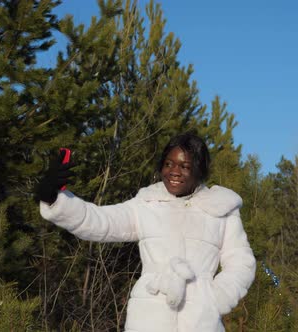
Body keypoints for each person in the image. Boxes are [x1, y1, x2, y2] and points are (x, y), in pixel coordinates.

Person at [37, 133, 256, 332]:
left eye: (184, 166)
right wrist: (55, 199)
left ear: (199, 170)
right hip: (149, 319)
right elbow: (99, 221)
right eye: (168, 164)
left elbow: (241, 263)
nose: (174, 172)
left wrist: (215, 298)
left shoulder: (221, 209)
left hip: (201, 322)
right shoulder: (147, 204)